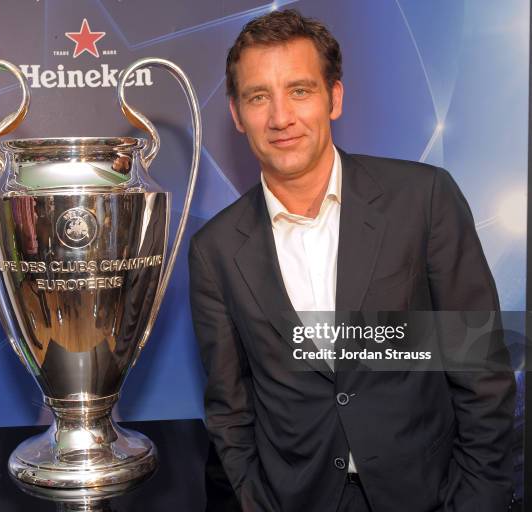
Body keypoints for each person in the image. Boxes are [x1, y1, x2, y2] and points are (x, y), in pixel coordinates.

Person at [189, 9, 515, 512]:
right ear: (236, 113)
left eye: (300, 90)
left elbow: (481, 372)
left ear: (334, 98)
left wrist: (476, 501)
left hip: (426, 496)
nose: (280, 118)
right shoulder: (214, 251)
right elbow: (230, 412)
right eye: (259, 97)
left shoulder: (423, 199)